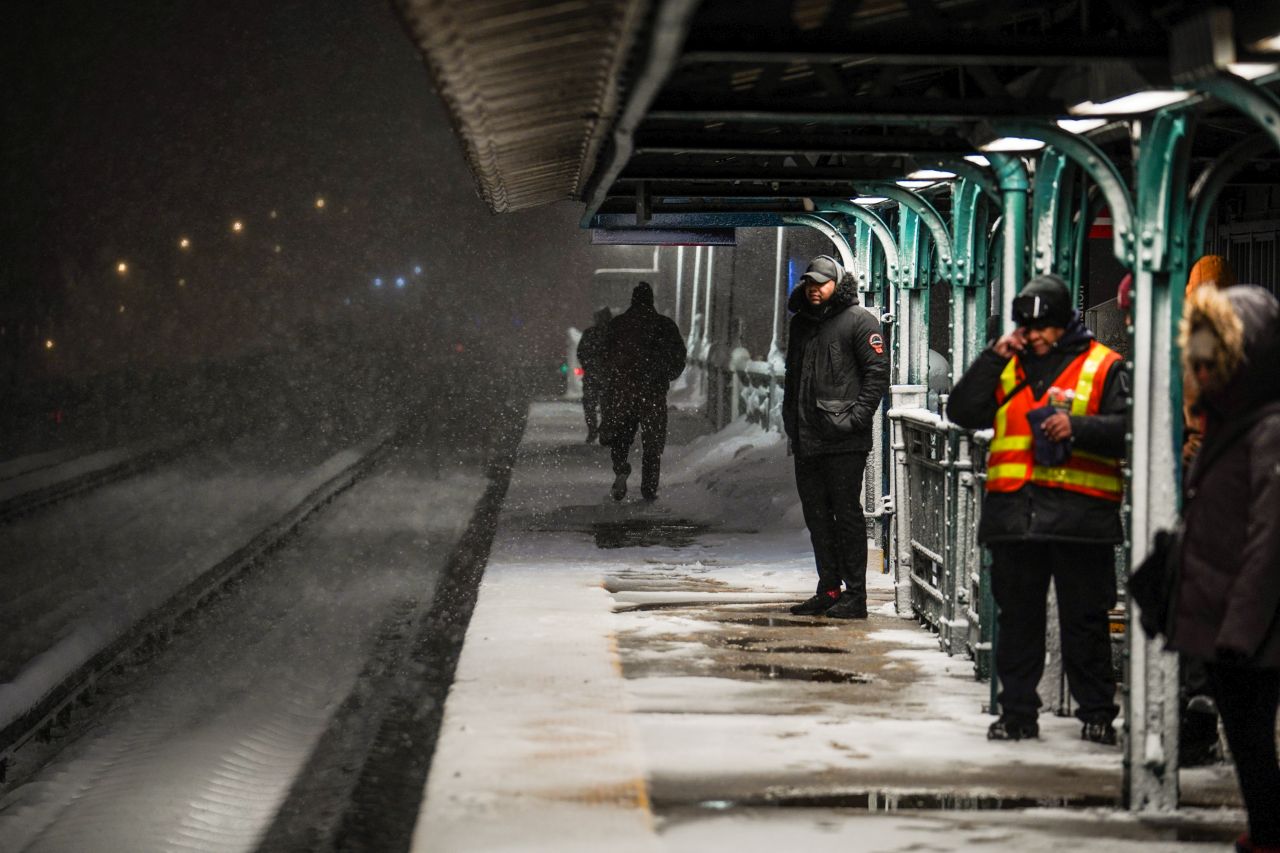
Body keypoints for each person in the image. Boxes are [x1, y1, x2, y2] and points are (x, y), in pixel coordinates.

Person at [947, 273, 1129, 744]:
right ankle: (1017, 713)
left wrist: (1078, 427)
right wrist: (993, 356)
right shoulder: (1008, 363)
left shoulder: (1103, 365)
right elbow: (963, 411)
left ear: (1064, 323)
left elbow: (1129, 428)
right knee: (1018, 623)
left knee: (1085, 621)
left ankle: (1097, 713)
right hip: (1016, 515)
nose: (1035, 338)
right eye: (1027, 330)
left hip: (1080, 516)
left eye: (1043, 329)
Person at [1167, 284, 1280, 853]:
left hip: (1250, 619)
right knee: (1246, 734)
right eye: (1199, 363)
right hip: (1229, 609)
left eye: (1213, 362)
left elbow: (1269, 536)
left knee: (1254, 734)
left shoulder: (1266, 427)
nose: (1203, 374)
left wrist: (1238, 629)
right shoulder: (1235, 418)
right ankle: (1266, 828)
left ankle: (1269, 833)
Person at [783, 255, 889, 620]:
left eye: (822, 283)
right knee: (816, 515)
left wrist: (855, 419)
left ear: (836, 285)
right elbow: (793, 376)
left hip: (844, 440)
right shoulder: (802, 324)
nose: (815, 290)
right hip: (807, 436)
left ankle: (855, 596)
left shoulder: (860, 321)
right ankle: (828, 587)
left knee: (846, 515)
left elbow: (877, 374)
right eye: (810, 284)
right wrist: (791, 422)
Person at [601, 281, 686, 501]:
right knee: (652, 442)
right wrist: (665, 375)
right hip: (652, 393)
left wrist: (614, 378)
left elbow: (603, 355)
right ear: (651, 300)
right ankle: (648, 488)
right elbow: (678, 357)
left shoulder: (618, 324)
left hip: (623, 391)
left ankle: (621, 469)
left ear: (632, 300)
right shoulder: (664, 325)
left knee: (621, 435)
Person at [576, 306, 613, 444]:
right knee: (607, 406)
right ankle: (604, 431)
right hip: (607, 377)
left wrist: (589, 365)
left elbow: (581, 353)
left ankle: (594, 430)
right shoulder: (615, 334)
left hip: (593, 375)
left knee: (591, 404)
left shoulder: (590, 333)